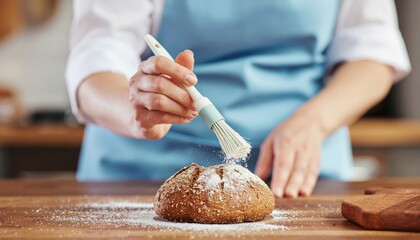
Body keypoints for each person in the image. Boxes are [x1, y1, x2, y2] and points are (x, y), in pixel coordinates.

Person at [66, 0, 410, 198]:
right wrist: (135, 109)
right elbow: (94, 62)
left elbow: (372, 54)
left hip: (301, 183)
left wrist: (314, 122)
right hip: (139, 180)